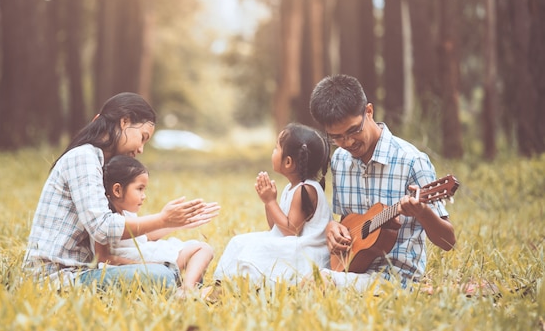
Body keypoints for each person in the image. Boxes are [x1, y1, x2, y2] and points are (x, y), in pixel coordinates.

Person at [23, 92, 219, 290]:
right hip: (57, 277)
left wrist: (174, 222)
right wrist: (163, 219)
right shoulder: (83, 157)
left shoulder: (99, 163)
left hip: (85, 271)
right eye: (142, 138)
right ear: (124, 122)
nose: (141, 149)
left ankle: (178, 283)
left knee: (164, 273)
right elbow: (103, 229)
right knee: (162, 275)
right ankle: (178, 284)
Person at [308, 74, 456, 290]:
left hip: (395, 279)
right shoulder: (340, 159)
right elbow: (349, 222)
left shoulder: (412, 161)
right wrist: (333, 228)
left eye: (353, 131)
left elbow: (448, 242)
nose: (347, 142)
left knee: (316, 281)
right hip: (351, 268)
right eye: (336, 137)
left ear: (369, 111)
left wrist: (423, 212)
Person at [213, 123, 332, 286]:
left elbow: (291, 230)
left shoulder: (305, 189)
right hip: (293, 245)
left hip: (306, 252)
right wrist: (268, 202)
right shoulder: (292, 188)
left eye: (276, 148)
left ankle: (245, 282)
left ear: (288, 162)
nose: (273, 152)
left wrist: (271, 201)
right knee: (239, 241)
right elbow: (275, 228)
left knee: (256, 247)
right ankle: (227, 282)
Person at [95, 155, 215, 297]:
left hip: (150, 256)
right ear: (117, 190)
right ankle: (186, 288)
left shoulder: (127, 214)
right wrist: (146, 265)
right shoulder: (104, 220)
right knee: (189, 257)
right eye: (139, 189)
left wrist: (177, 224)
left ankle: (186, 289)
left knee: (203, 248)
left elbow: (145, 236)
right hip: (140, 262)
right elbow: (103, 258)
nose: (144, 195)